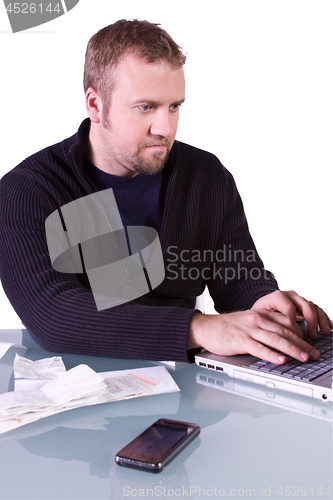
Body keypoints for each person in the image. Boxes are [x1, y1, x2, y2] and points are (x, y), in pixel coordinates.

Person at [0, 19, 331, 364]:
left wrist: (264, 304)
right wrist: (199, 328)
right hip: (77, 390)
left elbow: (237, 278)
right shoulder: (28, 191)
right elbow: (55, 317)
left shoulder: (206, 176)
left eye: (174, 106)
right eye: (146, 107)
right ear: (95, 105)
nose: (165, 128)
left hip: (183, 385)